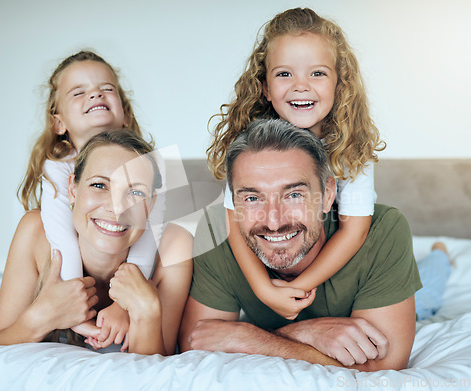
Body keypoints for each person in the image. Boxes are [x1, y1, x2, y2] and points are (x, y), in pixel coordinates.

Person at [179, 119, 422, 371]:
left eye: (293, 195)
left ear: (328, 196)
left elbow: (382, 368)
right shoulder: (217, 229)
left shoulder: (383, 230)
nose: (273, 222)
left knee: (432, 288)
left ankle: (439, 252)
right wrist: (307, 333)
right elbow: (196, 346)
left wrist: (248, 336)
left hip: (390, 288)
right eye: (252, 198)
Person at [206, 7, 385, 320]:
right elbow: (234, 224)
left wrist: (297, 288)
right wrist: (265, 291)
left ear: (339, 85)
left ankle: (437, 254)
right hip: (282, 267)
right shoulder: (252, 147)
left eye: (317, 73)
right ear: (265, 87)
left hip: (340, 262)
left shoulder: (351, 147)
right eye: (285, 73)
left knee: (426, 300)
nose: (301, 86)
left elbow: (353, 232)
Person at [0, 130, 192, 355]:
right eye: (99, 185)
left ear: (151, 205)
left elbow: (154, 377)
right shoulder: (35, 232)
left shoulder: (174, 246)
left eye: (135, 191)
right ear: (72, 190)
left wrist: (147, 310)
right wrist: (42, 316)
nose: (116, 207)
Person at [17, 50, 165, 347]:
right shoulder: (57, 170)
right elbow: (60, 236)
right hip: (73, 293)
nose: (96, 95)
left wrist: (126, 303)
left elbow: (149, 233)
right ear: (58, 123)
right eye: (79, 92)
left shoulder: (152, 167)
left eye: (107, 88)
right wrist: (74, 305)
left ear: (126, 114)